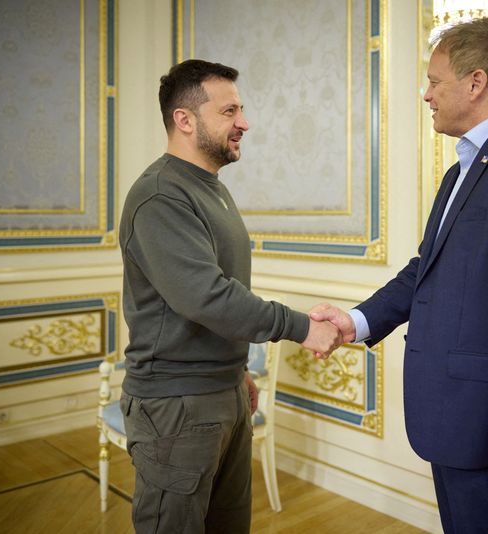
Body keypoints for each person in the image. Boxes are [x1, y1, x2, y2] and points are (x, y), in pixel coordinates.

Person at [310, 17, 488, 533]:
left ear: (475, 83)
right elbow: (425, 270)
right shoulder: (463, 169)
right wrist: (355, 322)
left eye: (434, 81)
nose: (425, 94)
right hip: (454, 417)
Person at [118, 59, 342, 534]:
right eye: (229, 111)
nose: (244, 122)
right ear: (184, 119)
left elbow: (220, 290)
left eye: (240, 109)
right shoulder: (160, 195)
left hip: (223, 395)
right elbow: (207, 297)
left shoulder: (210, 189)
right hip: (176, 407)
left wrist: (236, 371)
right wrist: (302, 327)